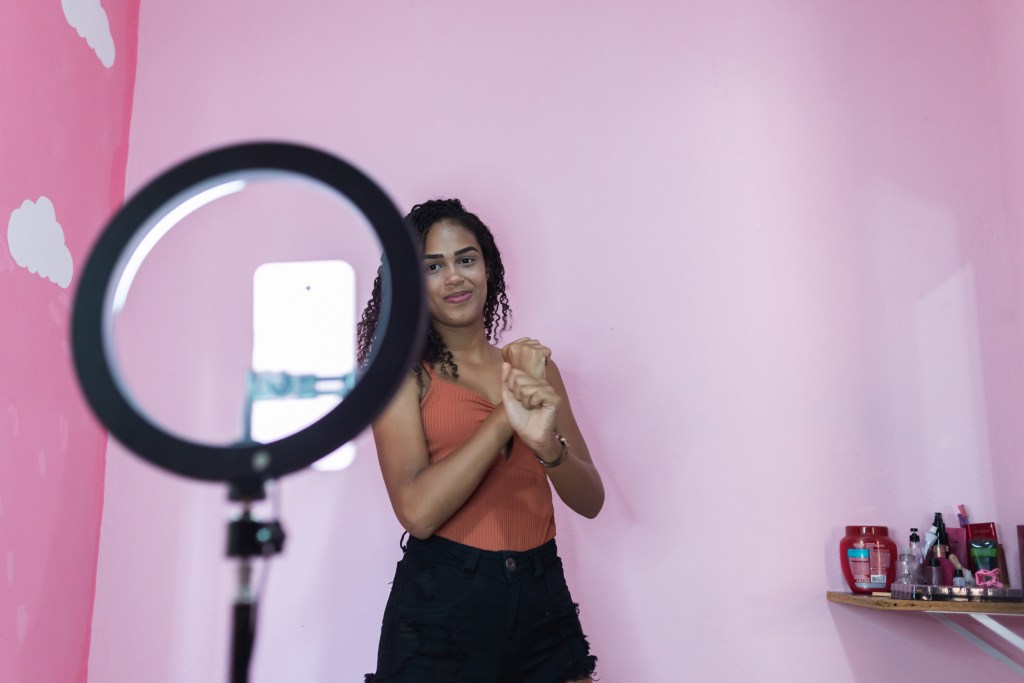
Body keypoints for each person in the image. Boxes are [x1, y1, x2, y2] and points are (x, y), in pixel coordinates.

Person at [359, 198, 604, 682]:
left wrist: (548, 448)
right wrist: (504, 419)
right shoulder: (401, 376)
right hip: (443, 603)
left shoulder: (536, 369)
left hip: (541, 592)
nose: (454, 277)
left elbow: (591, 499)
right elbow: (417, 512)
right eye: (433, 266)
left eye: (465, 259)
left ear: (487, 268)